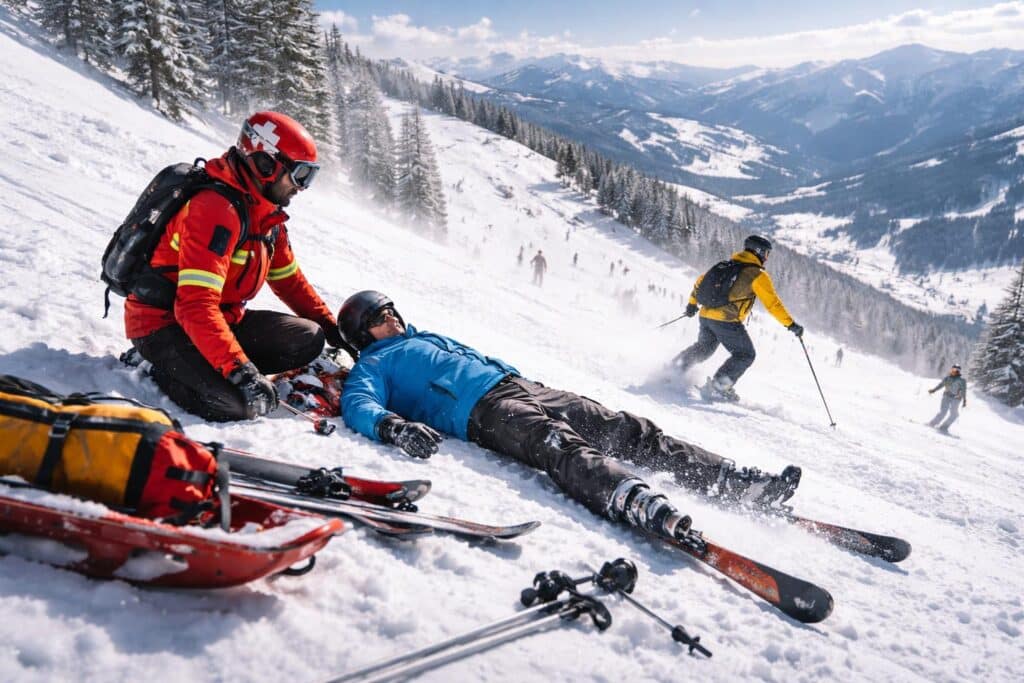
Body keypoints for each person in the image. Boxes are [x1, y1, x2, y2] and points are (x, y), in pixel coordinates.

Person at [336, 291, 802, 541]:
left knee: (625, 428)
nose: (393, 320)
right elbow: (358, 404)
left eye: (393, 310)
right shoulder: (374, 364)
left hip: (521, 386)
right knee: (557, 443)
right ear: (363, 333)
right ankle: (630, 497)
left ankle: (732, 480)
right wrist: (393, 427)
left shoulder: (421, 335)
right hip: (482, 410)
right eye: (381, 317)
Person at [125, 111, 344, 422]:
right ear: (265, 164)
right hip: (165, 325)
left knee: (309, 338)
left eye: (310, 177)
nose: (301, 188)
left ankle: (212, 360)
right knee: (234, 404)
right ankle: (154, 364)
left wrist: (333, 329)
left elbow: (289, 281)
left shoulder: (267, 216)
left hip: (219, 321)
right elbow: (194, 306)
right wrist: (241, 372)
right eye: (299, 175)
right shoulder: (214, 210)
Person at [676, 235, 803, 401]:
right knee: (745, 354)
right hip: (725, 320)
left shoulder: (726, 265)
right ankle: (718, 386)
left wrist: (692, 305)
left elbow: (700, 282)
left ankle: (674, 369)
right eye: (766, 254)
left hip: (706, 316)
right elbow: (773, 304)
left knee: (704, 348)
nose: (766, 258)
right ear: (759, 252)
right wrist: (791, 324)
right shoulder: (757, 274)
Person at [927, 364, 967, 432]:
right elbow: (941, 385)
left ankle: (944, 427)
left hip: (956, 398)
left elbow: (964, 390)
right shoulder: (947, 378)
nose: (954, 371)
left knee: (954, 414)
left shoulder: (962, 380)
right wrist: (934, 390)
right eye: (953, 369)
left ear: (959, 371)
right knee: (943, 412)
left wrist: (964, 400)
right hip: (947, 396)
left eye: (956, 370)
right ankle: (932, 424)